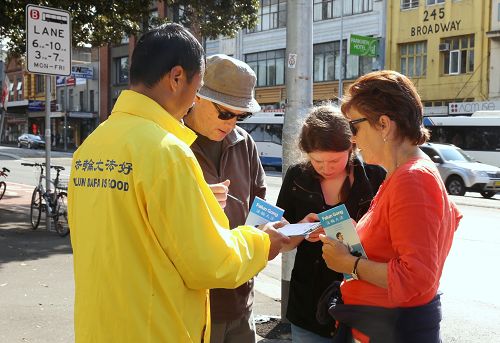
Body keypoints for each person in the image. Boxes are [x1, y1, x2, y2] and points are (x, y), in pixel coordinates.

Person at [68, 23, 290, 343]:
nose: (193, 101)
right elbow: (210, 263)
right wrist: (263, 242)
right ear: (176, 78)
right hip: (154, 328)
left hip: (99, 327)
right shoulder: (168, 152)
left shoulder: (91, 146)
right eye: (196, 88)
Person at [320, 70, 462, 343]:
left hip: (395, 331)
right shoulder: (404, 173)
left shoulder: (413, 178)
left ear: (383, 124)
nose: (352, 140)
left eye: (354, 127)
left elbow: (415, 276)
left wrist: (349, 263)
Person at [276, 105, 386, 342]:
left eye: (335, 160)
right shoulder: (297, 177)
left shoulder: (375, 178)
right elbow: (281, 242)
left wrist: (358, 230)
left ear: (352, 146)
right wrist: (302, 228)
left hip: (361, 304)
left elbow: (390, 243)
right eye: (317, 162)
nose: (326, 168)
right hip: (309, 303)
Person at [183, 54, 265, 343]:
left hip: (241, 303)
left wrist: (274, 236)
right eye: (225, 113)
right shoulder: (171, 145)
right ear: (197, 97)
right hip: (191, 307)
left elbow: (260, 209)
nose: (232, 123)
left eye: (241, 116)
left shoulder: (245, 143)